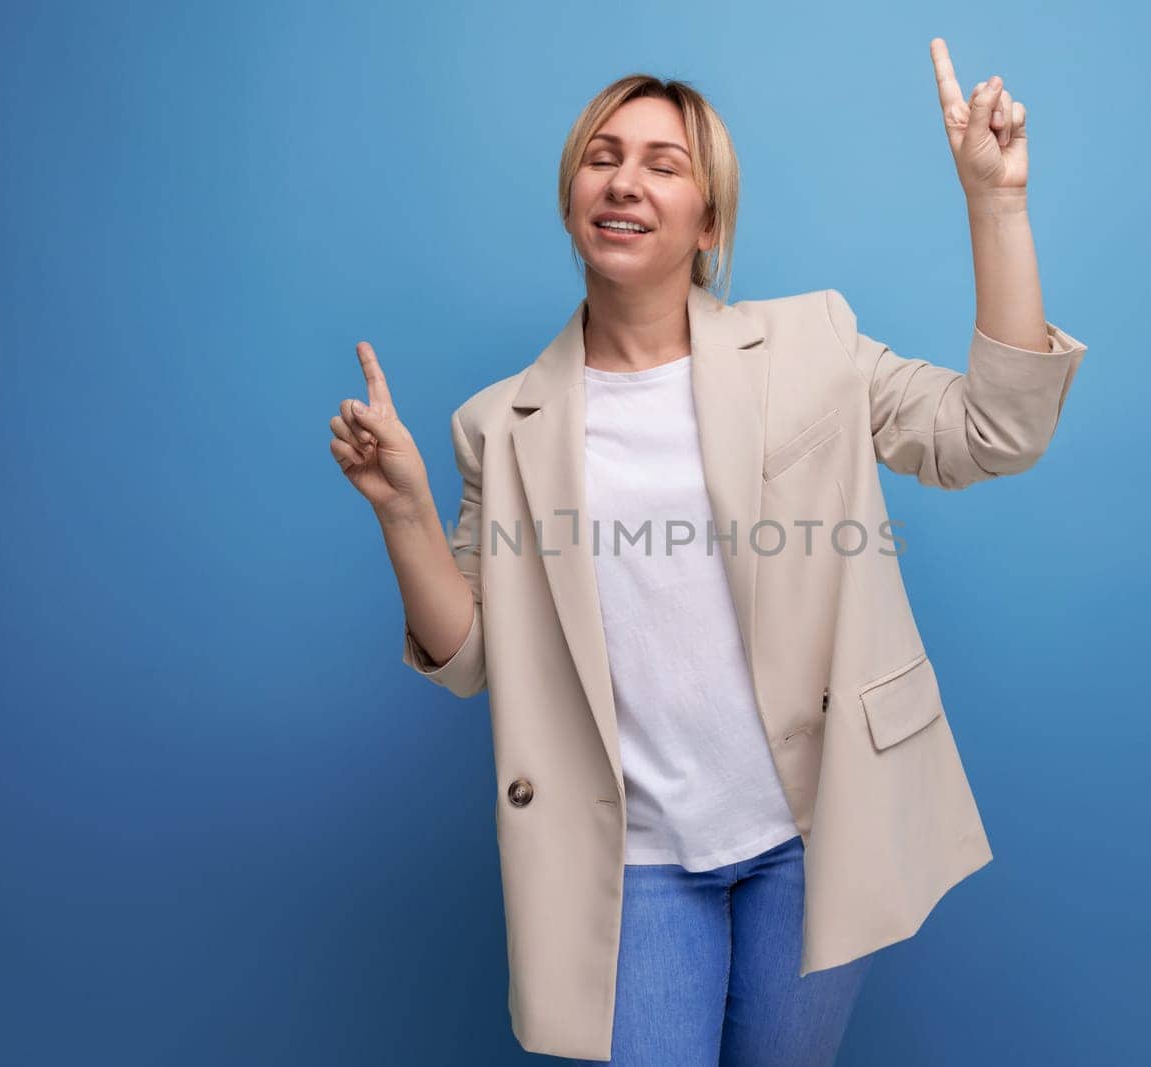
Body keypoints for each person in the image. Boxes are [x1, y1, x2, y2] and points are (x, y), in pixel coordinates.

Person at [329, 38, 1089, 1065]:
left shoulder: (811, 346)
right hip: (631, 857)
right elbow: (469, 659)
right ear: (569, 199)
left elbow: (992, 433)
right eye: (601, 156)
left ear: (708, 221)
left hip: (815, 832)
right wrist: (403, 511)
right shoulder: (497, 426)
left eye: (662, 161)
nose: (624, 180)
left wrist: (994, 205)